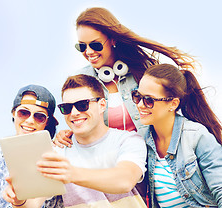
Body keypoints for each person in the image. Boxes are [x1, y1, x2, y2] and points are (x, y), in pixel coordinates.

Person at [4, 75, 151, 208]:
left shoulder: (128, 140)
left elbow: (124, 181)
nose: (74, 113)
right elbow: (31, 206)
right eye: (66, 108)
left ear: (102, 104)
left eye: (82, 105)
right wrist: (18, 200)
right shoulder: (57, 151)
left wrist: (71, 173)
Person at [55, 6, 195, 145]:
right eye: (82, 46)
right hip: (109, 161)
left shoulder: (144, 71)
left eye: (96, 45)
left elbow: (168, 111)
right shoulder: (81, 80)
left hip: (150, 156)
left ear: (113, 40)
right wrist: (67, 133)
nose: (89, 52)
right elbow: (78, 118)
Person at [131, 63, 222, 208]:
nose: (140, 105)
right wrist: (72, 134)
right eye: (137, 96)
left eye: (149, 100)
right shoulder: (142, 140)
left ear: (173, 104)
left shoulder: (196, 136)